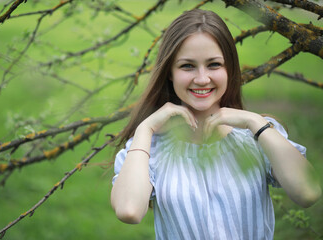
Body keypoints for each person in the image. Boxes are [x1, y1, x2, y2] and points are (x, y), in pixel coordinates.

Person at [110, 9, 321, 239]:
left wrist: (254, 121)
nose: (202, 78)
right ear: (169, 72)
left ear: (229, 68)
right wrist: (145, 129)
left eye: (213, 65)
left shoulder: (257, 136)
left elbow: (308, 192)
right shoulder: (150, 149)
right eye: (187, 66)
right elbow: (129, 210)